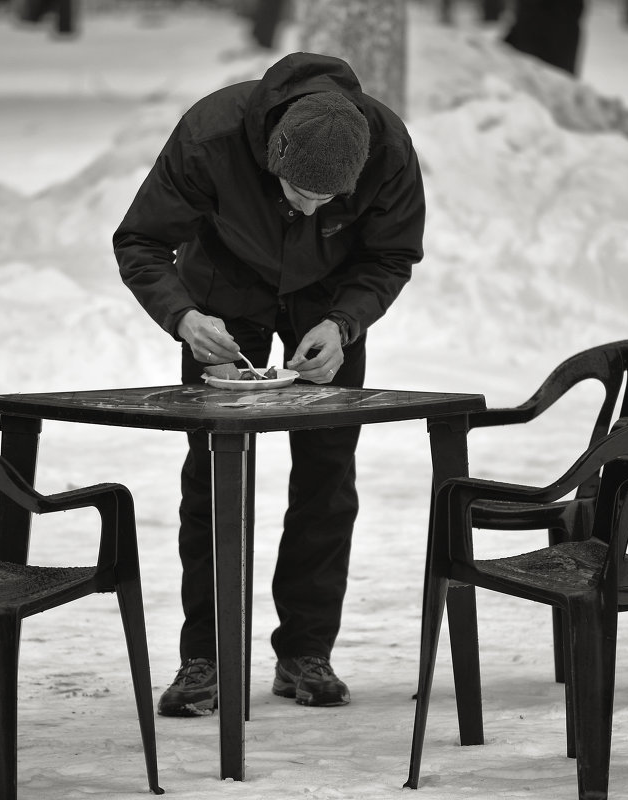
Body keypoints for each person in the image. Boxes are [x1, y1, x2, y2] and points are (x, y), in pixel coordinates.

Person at [113, 51, 425, 716]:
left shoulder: (388, 147)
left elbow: (392, 253)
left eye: (329, 200)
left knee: (327, 474)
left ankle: (305, 653)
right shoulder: (211, 137)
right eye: (300, 192)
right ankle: (206, 658)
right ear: (272, 153)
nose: (313, 210)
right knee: (214, 477)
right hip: (224, 296)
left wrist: (345, 325)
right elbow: (140, 242)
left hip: (331, 302)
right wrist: (185, 318)